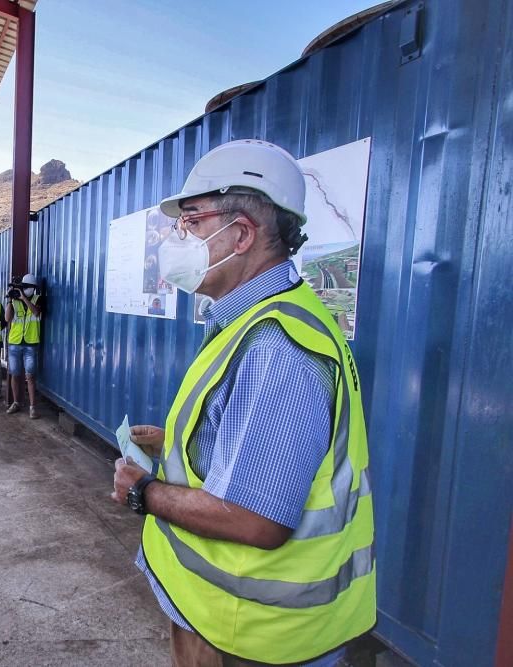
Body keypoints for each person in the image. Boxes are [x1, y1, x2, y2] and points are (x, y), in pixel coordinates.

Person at [111, 140, 375, 666]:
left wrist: (143, 491)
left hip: (256, 636)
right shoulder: (261, 322)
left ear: (242, 234)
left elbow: (257, 520)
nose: (177, 239)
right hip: (222, 621)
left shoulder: (278, 346)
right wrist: (182, 444)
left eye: (190, 222)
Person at [4, 273, 44, 418]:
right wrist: (10, 300)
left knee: (30, 376)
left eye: (27, 288)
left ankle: (33, 407)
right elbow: (7, 318)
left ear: (33, 288)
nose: (25, 290)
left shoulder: (38, 299)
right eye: (23, 287)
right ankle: (16, 402)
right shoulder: (14, 301)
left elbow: (36, 312)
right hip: (15, 343)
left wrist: (24, 298)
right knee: (15, 374)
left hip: (31, 343)